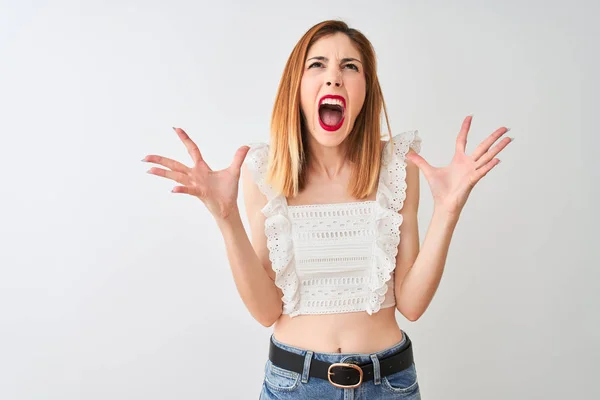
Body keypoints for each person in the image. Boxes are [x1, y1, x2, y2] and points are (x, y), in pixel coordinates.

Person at [143, 19, 513, 400]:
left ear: (366, 90)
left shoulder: (397, 168)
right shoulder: (264, 172)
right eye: (317, 64)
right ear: (297, 88)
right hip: (293, 384)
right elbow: (266, 311)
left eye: (350, 66)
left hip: (388, 385)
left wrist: (448, 211)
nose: (334, 77)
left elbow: (412, 304)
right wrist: (225, 216)